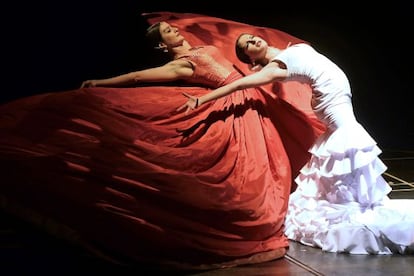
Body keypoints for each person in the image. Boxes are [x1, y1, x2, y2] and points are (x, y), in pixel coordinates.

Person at [0, 12, 325, 270]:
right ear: (161, 45)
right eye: (169, 32)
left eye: (173, 28)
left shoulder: (198, 49)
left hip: (248, 101)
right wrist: (102, 81)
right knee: (246, 176)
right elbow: (138, 77)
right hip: (233, 108)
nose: (176, 32)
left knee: (274, 162)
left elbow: (214, 37)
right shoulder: (180, 64)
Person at [178, 33, 414, 254]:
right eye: (246, 45)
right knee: (350, 143)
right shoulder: (273, 69)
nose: (253, 41)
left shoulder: (289, 50)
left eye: (251, 37)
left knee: (347, 146)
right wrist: (202, 99)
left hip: (335, 96)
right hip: (331, 101)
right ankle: (351, 203)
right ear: (250, 58)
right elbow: (239, 85)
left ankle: (349, 199)